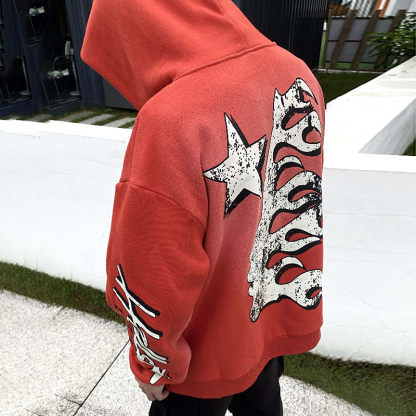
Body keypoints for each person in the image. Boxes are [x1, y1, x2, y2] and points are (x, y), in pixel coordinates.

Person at [80, 0, 325, 415]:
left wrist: (153, 364)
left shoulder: (171, 119)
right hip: (263, 324)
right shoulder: (297, 73)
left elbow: (152, 266)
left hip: (203, 354)